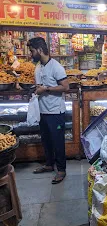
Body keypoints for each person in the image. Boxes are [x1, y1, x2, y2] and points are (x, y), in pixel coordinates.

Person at [27, 37, 69, 184]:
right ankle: (49, 164)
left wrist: (47, 89)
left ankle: (61, 170)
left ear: (39, 50)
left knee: (58, 141)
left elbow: (65, 87)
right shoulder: (38, 66)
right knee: (46, 140)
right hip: (42, 111)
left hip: (55, 111)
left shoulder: (56, 66)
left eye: (32, 51)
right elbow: (40, 85)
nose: (30, 54)